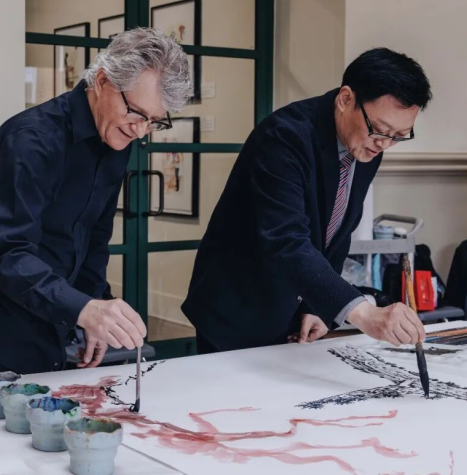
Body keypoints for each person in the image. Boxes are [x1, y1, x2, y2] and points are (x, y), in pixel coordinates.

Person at [0, 28, 192, 375]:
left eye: (154, 121)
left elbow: (94, 237)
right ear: (102, 81)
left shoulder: (117, 139)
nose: (140, 131)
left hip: (54, 310)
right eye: (136, 112)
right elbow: (8, 254)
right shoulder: (31, 140)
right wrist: (83, 309)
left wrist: (94, 303)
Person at [181, 48, 432, 353]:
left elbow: (338, 231)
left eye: (399, 135)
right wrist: (362, 312)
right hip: (238, 306)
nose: (385, 144)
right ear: (345, 99)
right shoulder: (285, 137)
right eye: (380, 130)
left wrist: (318, 305)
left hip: (291, 308)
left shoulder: (367, 145)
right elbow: (286, 240)